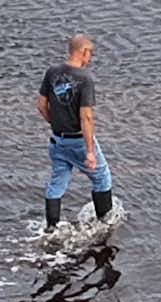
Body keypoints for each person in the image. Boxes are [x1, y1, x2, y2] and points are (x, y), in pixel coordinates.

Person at [37, 34, 111, 234]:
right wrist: (89, 151)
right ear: (82, 51)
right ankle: (105, 225)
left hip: (57, 140)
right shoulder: (85, 78)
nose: (90, 58)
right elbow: (86, 117)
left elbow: (41, 105)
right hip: (78, 140)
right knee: (102, 178)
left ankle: (51, 228)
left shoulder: (52, 72)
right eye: (90, 53)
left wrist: (56, 123)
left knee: (57, 183)